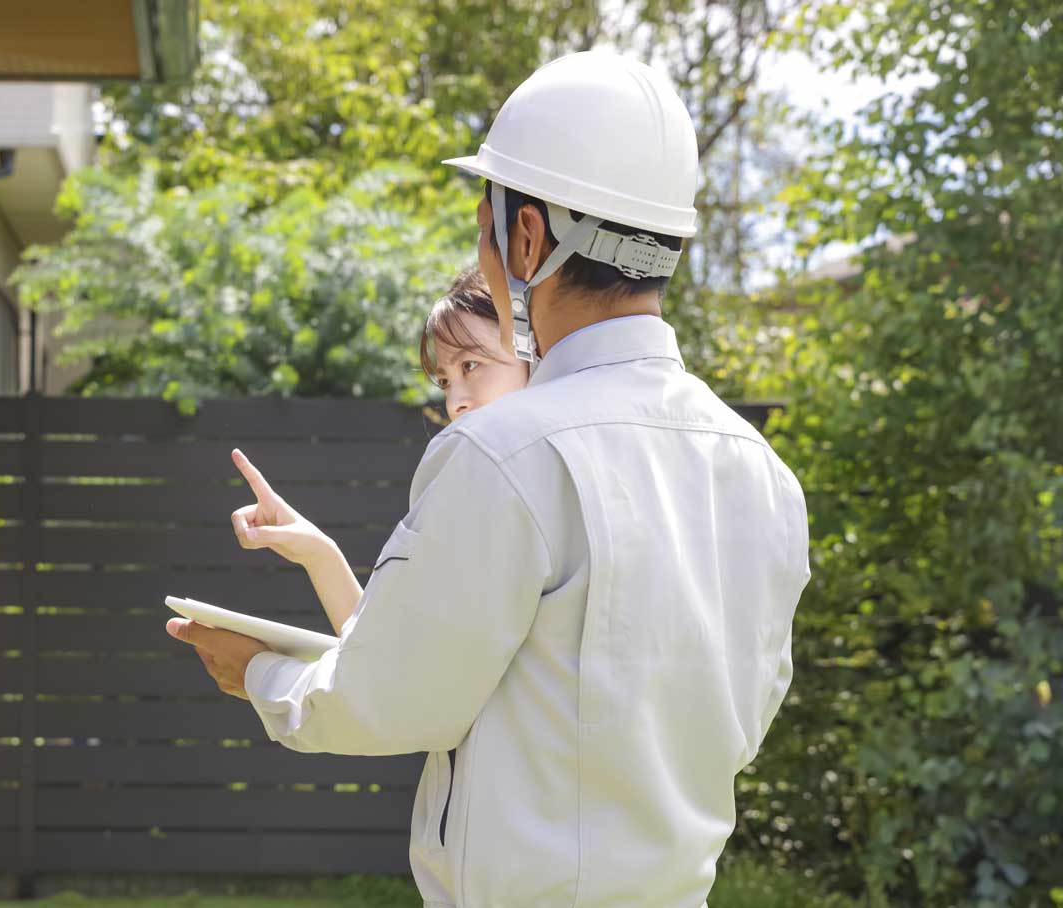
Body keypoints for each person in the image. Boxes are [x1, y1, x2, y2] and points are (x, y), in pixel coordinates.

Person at [168, 50, 809, 908]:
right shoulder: (763, 475)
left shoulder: (507, 452)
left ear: (528, 237)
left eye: (486, 226)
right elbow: (734, 721)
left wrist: (257, 672)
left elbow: (387, 701)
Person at [230, 266, 530, 636]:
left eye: (471, 365)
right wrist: (316, 551)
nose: (454, 403)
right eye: (444, 381)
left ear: (533, 351)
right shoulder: (474, 490)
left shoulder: (546, 492)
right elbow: (387, 658)